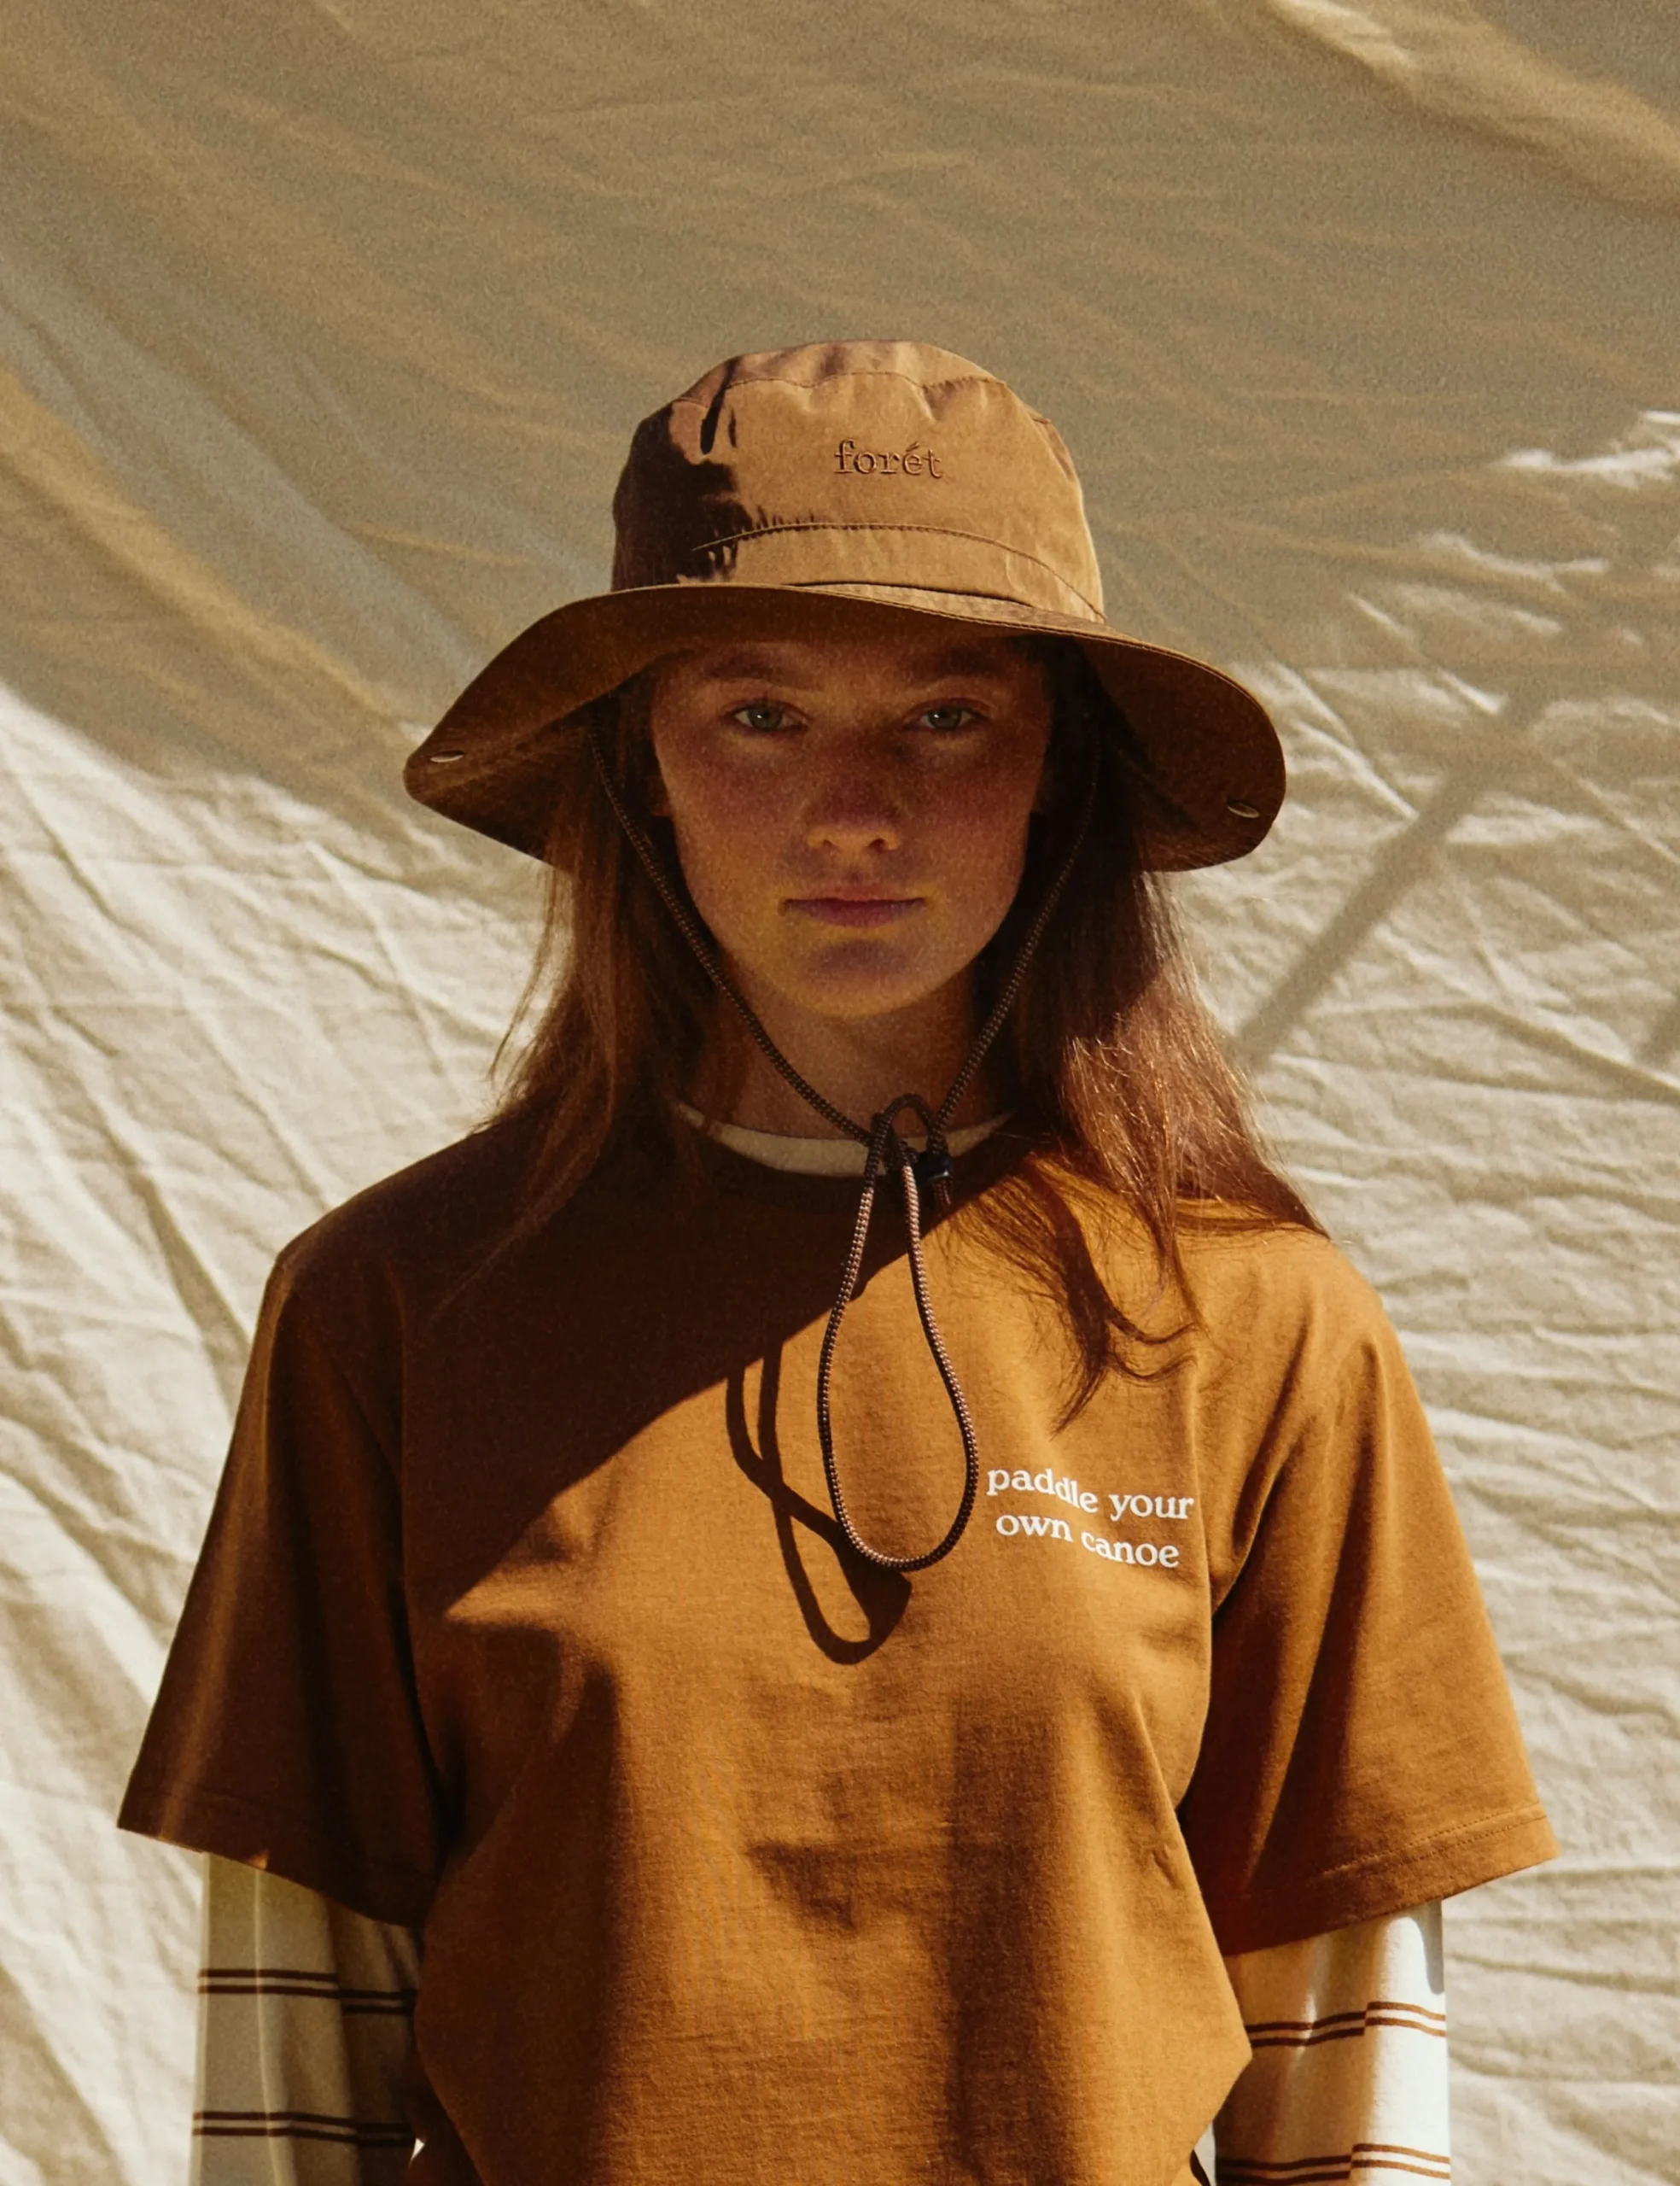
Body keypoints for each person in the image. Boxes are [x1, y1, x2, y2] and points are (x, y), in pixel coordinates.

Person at [119, 340, 1558, 2186]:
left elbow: (1348, 2065)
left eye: (946, 716)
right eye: (761, 713)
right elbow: (296, 2050)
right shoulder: (394, 1307)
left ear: (1057, 765)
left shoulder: (1257, 1320)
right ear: (641, 759)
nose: (855, 808)